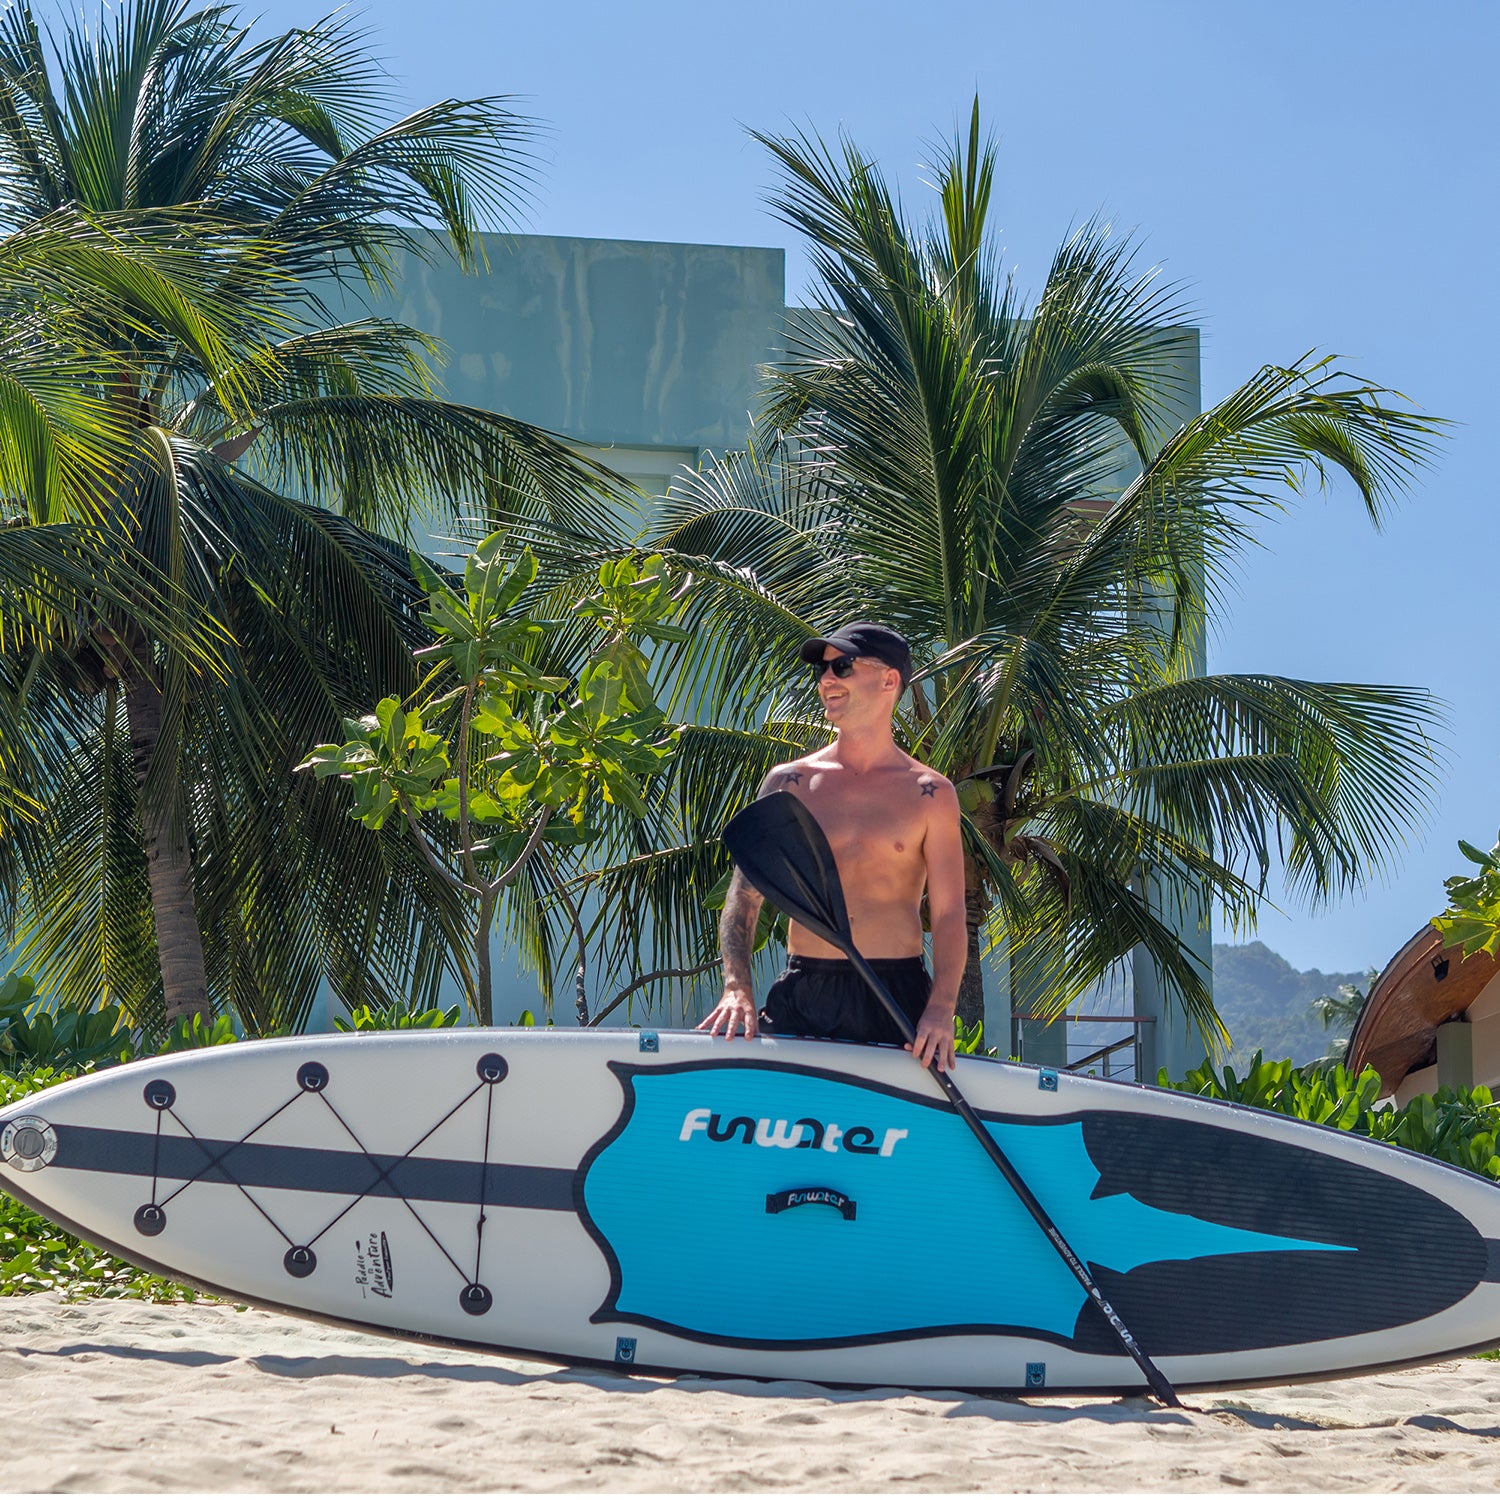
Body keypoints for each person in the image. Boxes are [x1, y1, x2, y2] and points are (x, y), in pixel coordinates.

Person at [698, 622, 966, 1071]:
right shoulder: (790, 784)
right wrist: (736, 986)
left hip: (896, 993)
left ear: (888, 680)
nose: (826, 680)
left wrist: (941, 1008)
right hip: (807, 989)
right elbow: (743, 898)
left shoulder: (931, 793)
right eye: (822, 670)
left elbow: (949, 913)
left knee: (890, 1134)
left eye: (841, 666)